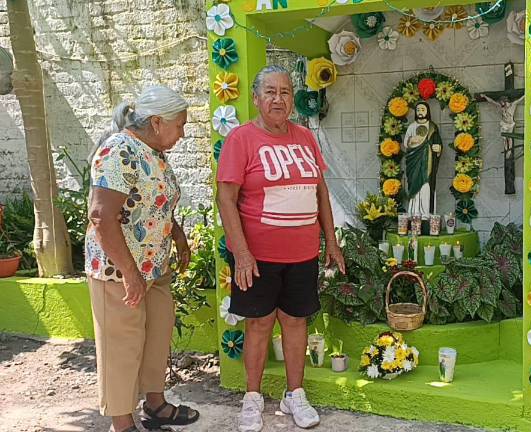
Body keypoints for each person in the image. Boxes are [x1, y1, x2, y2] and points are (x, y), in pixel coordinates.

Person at [216, 65, 346, 432]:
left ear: (293, 98)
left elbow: (319, 191)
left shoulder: (305, 137)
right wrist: (241, 252)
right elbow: (226, 199)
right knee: (258, 324)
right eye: (270, 92)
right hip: (256, 257)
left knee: (295, 321)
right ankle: (253, 398)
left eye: (285, 91)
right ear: (256, 98)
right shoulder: (241, 139)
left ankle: (295, 394)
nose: (278, 98)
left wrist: (331, 241)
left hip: (302, 253)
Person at [86, 85, 199, 432]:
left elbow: (156, 204)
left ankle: (155, 404)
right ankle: (122, 423)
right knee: (122, 345)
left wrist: (177, 236)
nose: (182, 132)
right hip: (119, 271)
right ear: (155, 121)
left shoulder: (154, 152)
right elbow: (102, 217)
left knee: (156, 335)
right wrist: (130, 273)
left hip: (154, 267)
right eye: (179, 125)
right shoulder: (119, 150)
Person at [402, 101, 442, 215]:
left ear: (427, 111)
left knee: (426, 185)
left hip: (427, 163)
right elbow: (405, 143)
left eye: (422, 110)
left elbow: (438, 142)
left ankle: (425, 214)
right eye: (418, 110)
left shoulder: (432, 127)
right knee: (414, 184)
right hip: (414, 161)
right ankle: (414, 213)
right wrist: (411, 141)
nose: (420, 112)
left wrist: (438, 148)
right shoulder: (412, 126)